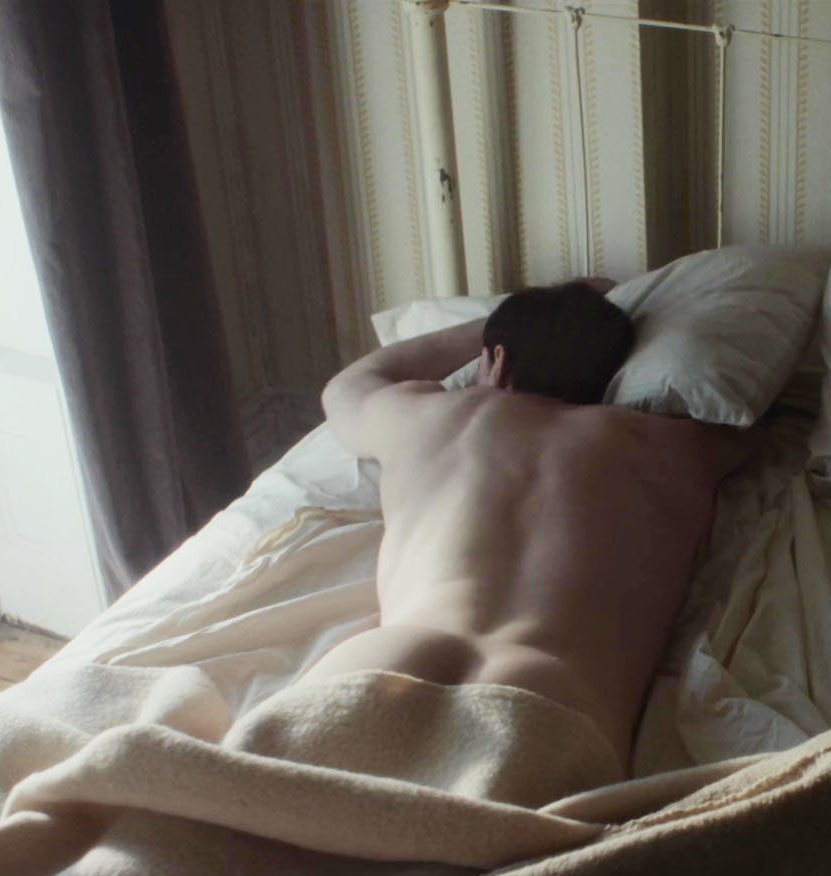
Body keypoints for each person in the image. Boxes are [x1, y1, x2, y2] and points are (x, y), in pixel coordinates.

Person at [312, 278, 743, 770]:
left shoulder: (427, 415)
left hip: (379, 660)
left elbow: (349, 383)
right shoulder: (674, 448)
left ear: (497, 360)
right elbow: (774, 413)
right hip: (552, 697)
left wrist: (494, 326)